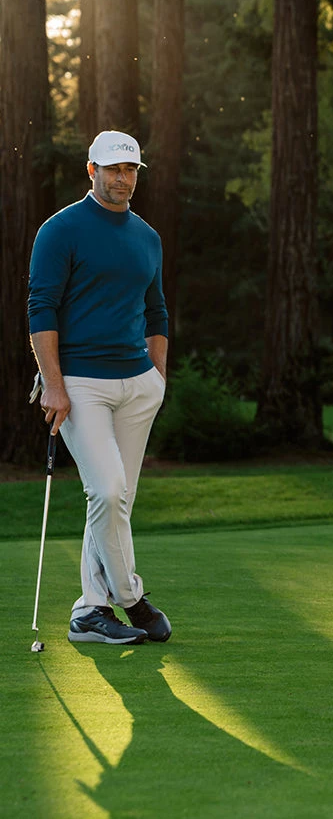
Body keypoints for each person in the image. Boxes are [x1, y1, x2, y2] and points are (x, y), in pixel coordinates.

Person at [28, 130, 172, 645]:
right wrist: (53, 384)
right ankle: (130, 597)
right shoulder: (60, 230)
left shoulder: (147, 237)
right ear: (92, 170)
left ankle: (91, 611)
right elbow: (41, 308)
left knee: (115, 501)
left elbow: (156, 311)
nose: (122, 178)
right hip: (80, 384)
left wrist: (157, 378)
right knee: (108, 491)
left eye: (130, 169)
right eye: (113, 169)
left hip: (137, 385)